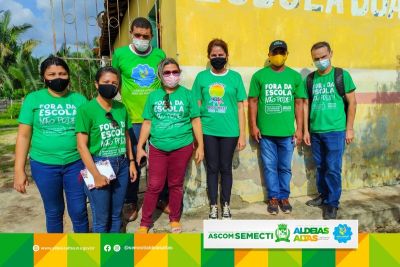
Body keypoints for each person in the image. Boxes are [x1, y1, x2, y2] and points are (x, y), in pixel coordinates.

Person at [14, 56, 89, 233]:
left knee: (79, 211)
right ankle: (54, 254)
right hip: (43, 166)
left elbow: (90, 133)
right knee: (54, 212)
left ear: (69, 76)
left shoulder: (79, 100)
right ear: (44, 77)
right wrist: (19, 170)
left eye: (62, 73)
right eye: (52, 74)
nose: (58, 78)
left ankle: (85, 253)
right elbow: (24, 136)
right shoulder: (33, 99)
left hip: (76, 164)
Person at [136, 58, 204, 233]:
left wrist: (201, 146)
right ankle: (145, 222)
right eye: (167, 72)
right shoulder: (153, 96)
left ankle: (174, 219)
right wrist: (139, 146)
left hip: (182, 147)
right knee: (154, 185)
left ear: (179, 73)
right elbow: (147, 123)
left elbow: (195, 121)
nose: (171, 75)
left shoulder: (188, 94)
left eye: (175, 72)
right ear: (160, 75)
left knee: (175, 184)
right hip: (158, 147)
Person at [112, 17, 168, 221]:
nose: (142, 39)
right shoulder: (120, 54)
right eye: (138, 35)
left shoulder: (159, 54)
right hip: (132, 119)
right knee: (133, 160)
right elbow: (113, 81)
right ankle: (130, 201)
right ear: (131, 34)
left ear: (152, 36)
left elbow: (165, 82)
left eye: (146, 36)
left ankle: (162, 197)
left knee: (160, 161)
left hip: (158, 119)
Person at [76, 67, 137, 232]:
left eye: (114, 83)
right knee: (101, 218)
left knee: (117, 215)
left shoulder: (121, 108)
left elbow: (126, 136)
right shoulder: (86, 110)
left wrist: (131, 161)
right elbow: (81, 146)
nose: (111, 86)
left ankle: (114, 252)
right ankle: (101, 255)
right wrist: (95, 174)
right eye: (106, 82)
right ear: (96, 84)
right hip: (99, 164)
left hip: (122, 164)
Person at [248, 40, 306, 215]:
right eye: (275, 52)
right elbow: (253, 102)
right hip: (266, 134)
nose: (278, 55)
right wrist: (253, 126)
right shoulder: (259, 76)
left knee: (285, 167)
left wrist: (300, 129)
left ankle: (284, 197)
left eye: (281, 52)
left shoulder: (295, 77)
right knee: (269, 166)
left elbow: (299, 103)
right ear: (269, 55)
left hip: (287, 133)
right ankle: (273, 198)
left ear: (287, 54)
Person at [192, 39, 247, 220]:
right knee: (212, 168)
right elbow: (196, 107)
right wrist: (197, 135)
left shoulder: (235, 77)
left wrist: (242, 134)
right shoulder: (202, 77)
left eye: (220, 55)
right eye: (214, 55)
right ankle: (213, 205)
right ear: (209, 57)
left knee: (226, 168)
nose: (217, 58)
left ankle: (226, 205)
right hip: (208, 130)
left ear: (227, 56)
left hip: (230, 131)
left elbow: (240, 108)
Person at [303, 41, 357, 219]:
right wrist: (306, 130)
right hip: (316, 130)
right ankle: (324, 196)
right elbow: (306, 105)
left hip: (335, 130)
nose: (320, 61)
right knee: (321, 166)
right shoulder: (310, 79)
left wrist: (349, 129)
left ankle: (332, 204)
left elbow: (352, 103)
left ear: (331, 54)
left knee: (333, 168)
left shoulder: (341, 75)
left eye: (323, 57)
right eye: (316, 59)